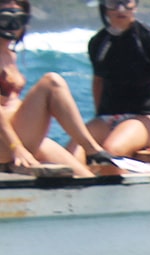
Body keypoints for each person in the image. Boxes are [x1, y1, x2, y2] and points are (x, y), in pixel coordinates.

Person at [0, 0, 115, 176]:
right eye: (6, 18)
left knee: (85, 178)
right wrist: (17, 148)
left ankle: (92, 153)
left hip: (20, 136)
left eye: (20, 19)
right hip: (7, 145)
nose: (13, 25)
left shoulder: (10, 55)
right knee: (52, 82)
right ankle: (91, 149)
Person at [80, 0, 150, 157]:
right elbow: (98, 82)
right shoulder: (98, 42)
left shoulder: (147, 38)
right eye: (113, 3)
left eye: (126, 2)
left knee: (111, 150)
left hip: (147, 117)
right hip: (109, 117)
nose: (120, 9)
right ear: (104, 7)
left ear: (135, 5)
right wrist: (99, 117)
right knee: (73, 152)